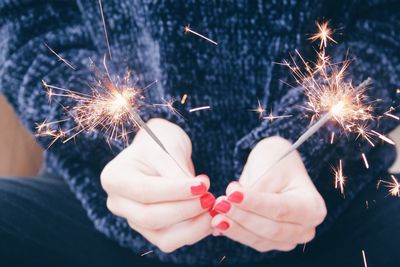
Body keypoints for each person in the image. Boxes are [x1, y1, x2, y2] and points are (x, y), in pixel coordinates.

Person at [0, 0, 399, 266]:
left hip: (342, 214)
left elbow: (389, 30)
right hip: (94, 207)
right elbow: (26, 26)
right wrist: (126, 129)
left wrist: (306, 140)